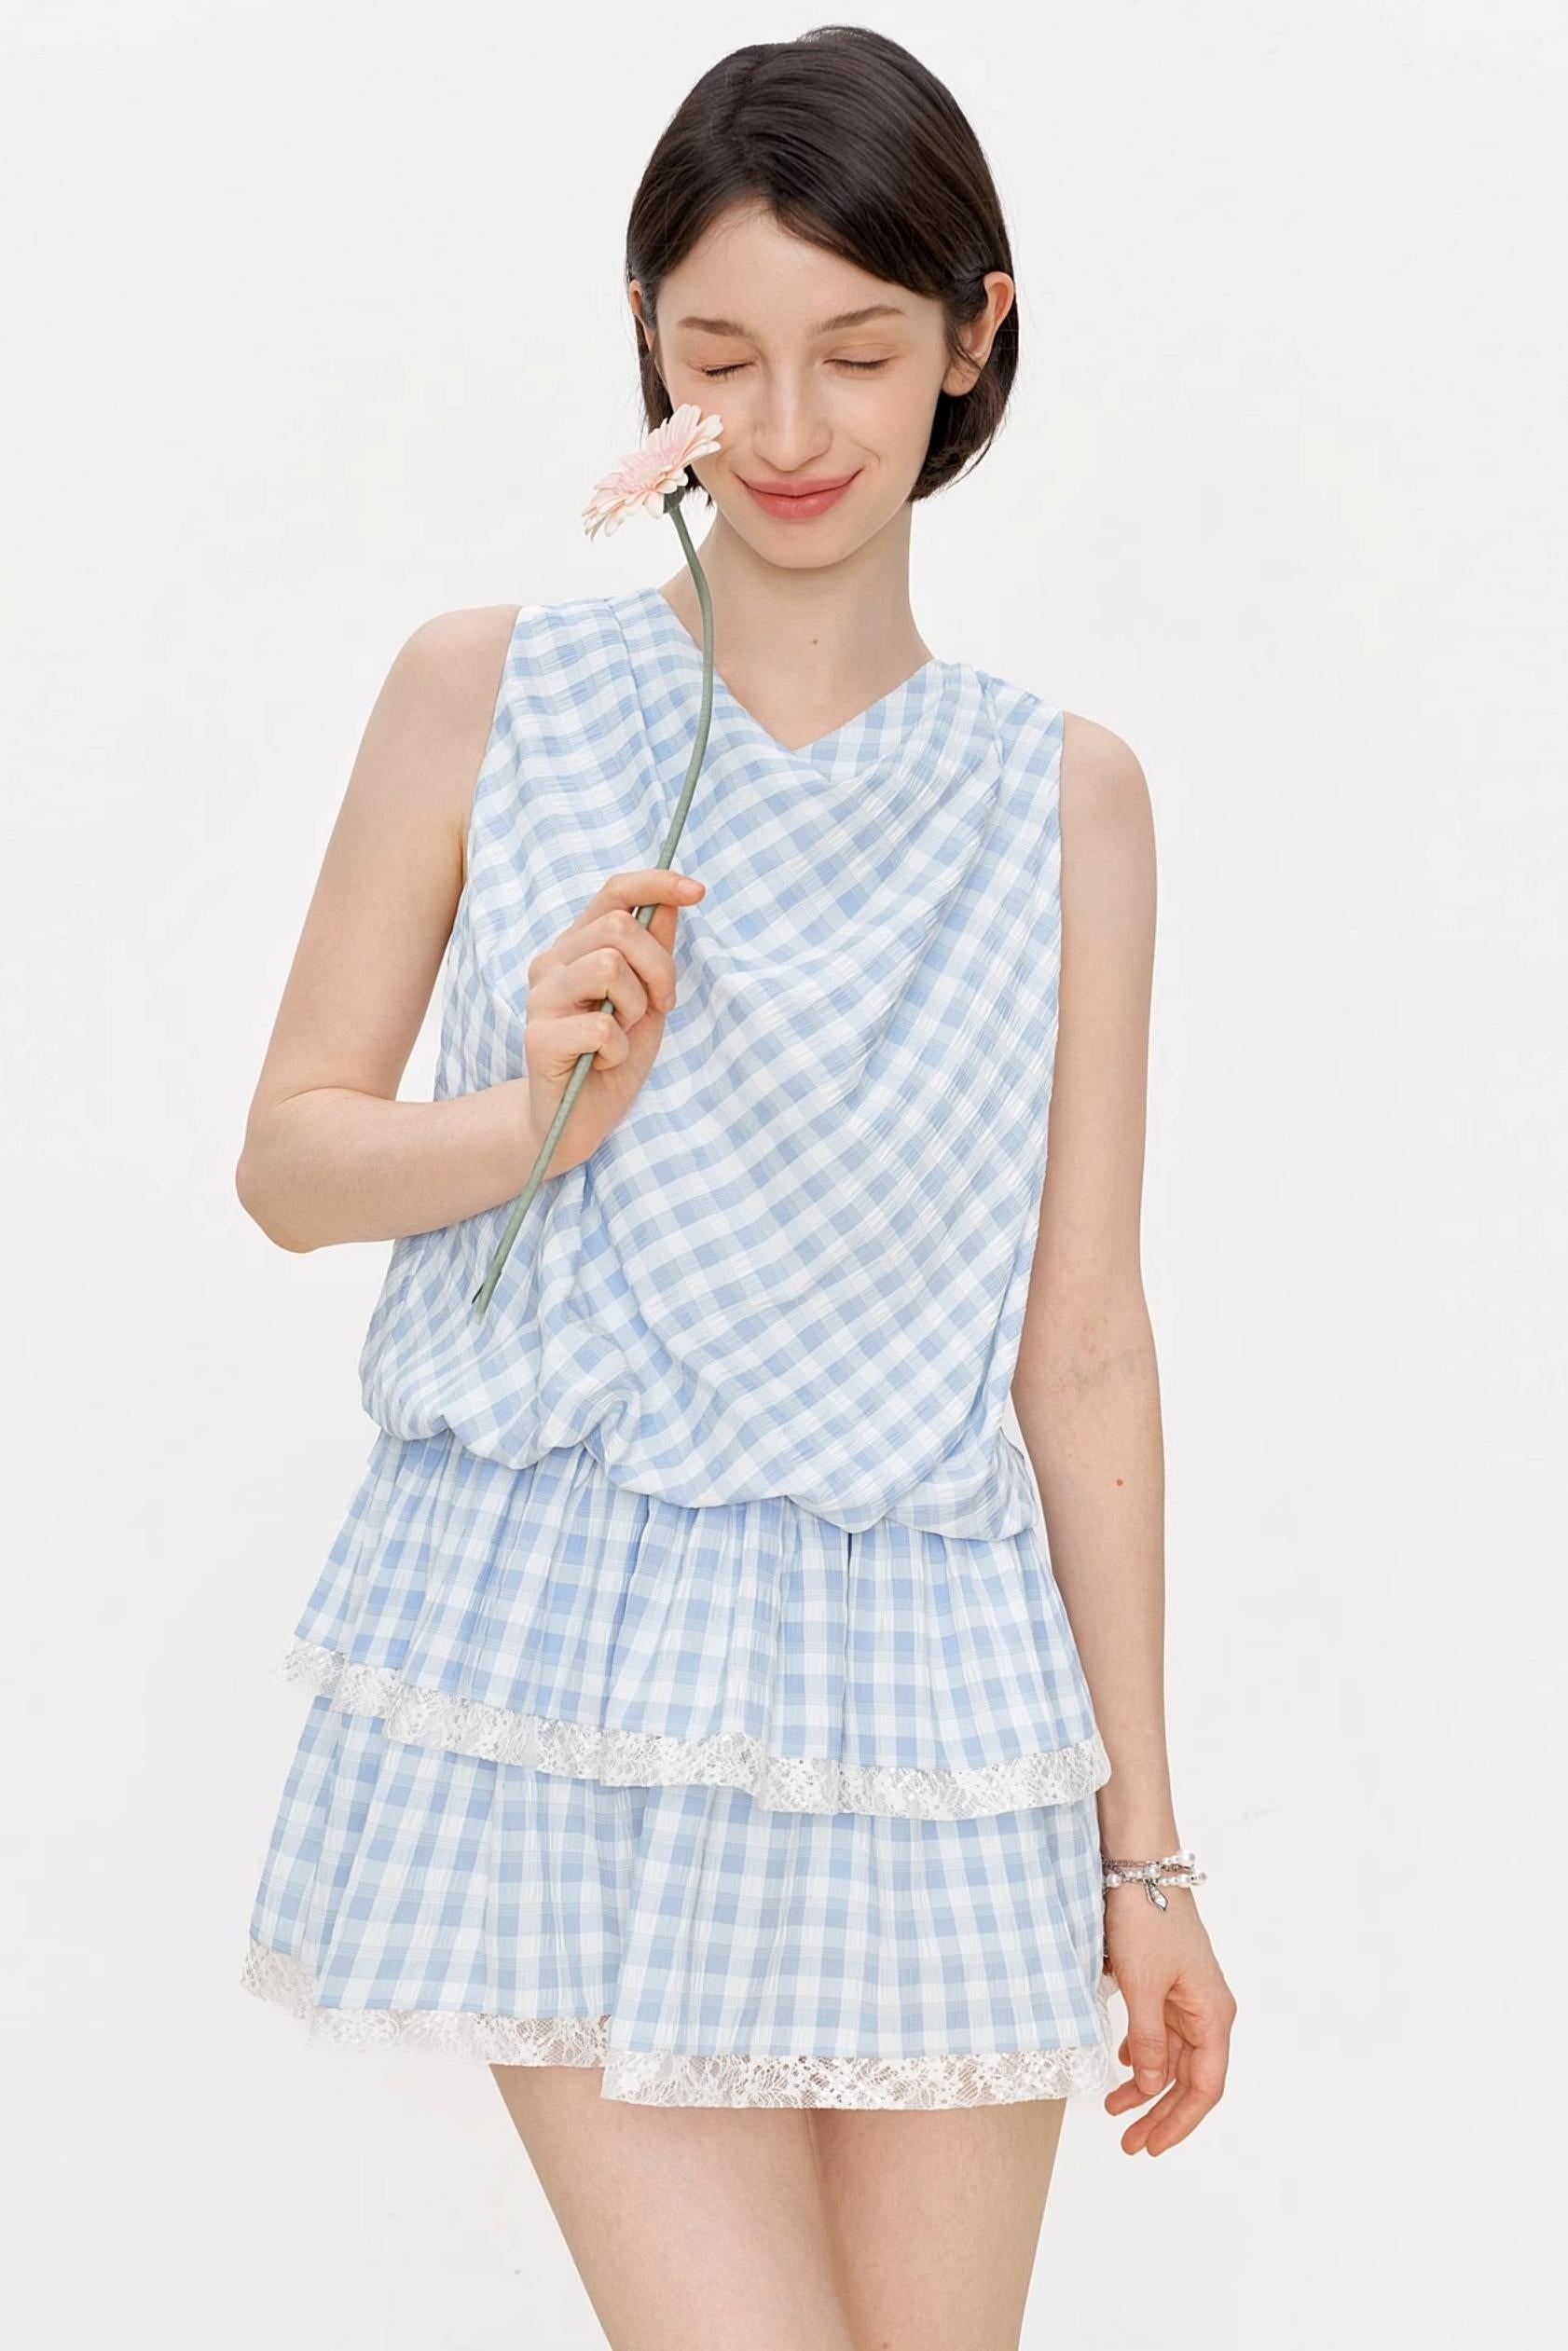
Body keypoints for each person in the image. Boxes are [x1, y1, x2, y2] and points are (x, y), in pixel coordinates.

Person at [236, 26, 1236, 2350]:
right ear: (646, 349)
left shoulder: (1063, 799)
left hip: (935, 1688)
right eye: (718, 356)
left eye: (857, 353)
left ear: (973, 335)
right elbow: (290, 1160)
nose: (786, 428)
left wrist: (1148, 1854)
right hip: (572, 1650)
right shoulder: (486, 691)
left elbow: (1082, 1340)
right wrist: (534, 1116)